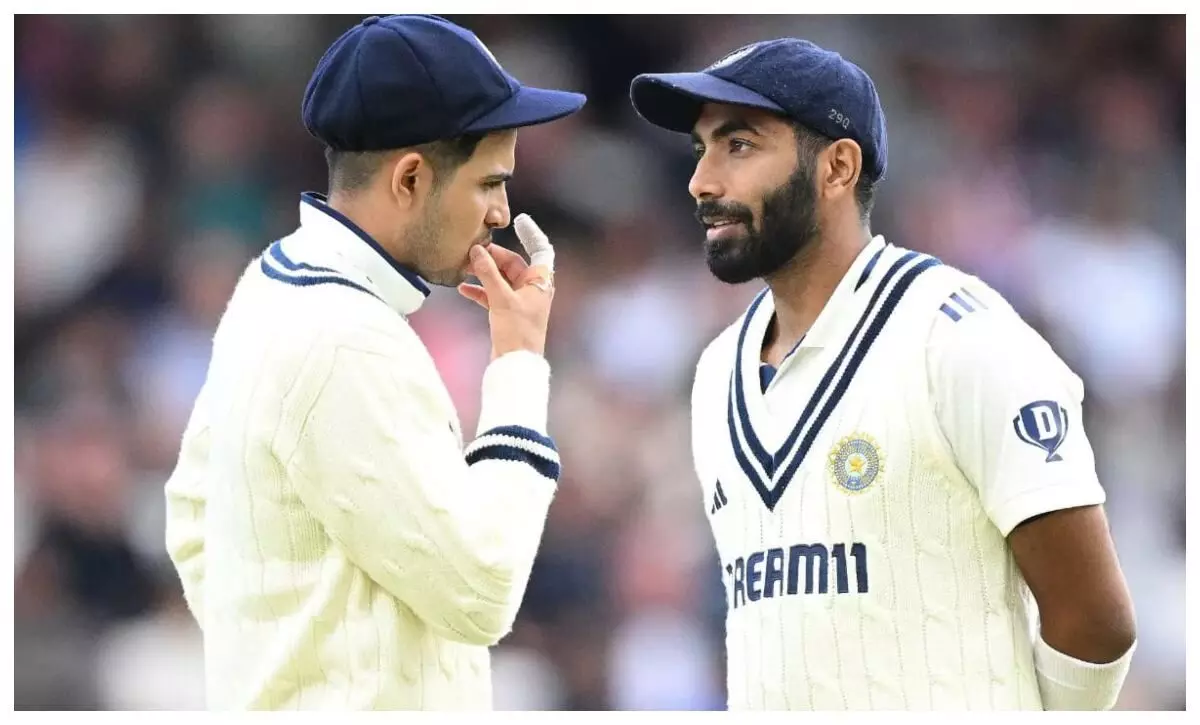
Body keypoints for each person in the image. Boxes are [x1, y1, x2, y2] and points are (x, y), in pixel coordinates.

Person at [629, 38, 1136, 711]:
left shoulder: (960, 338)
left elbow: (1095, 623)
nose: (702, 181)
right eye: (702, 149)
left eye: (739, 145)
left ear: (838, 167)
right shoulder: (717, 368)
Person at [164, 14, 585, 710]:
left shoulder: (271, 282)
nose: (501, 213)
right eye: (488, 183)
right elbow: (483, 592)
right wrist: (518, 362)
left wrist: (280, 666)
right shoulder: (345, 336)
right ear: (411, 177)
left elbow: (191, 521)